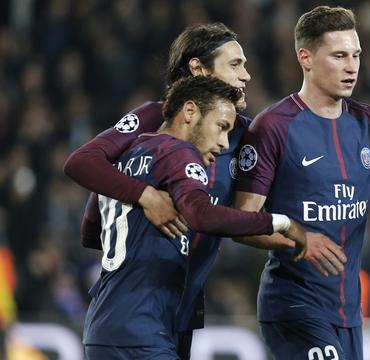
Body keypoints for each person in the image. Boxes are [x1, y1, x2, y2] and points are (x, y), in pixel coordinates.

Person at [64, 23, 346, 359]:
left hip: (171, 309)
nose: (246, 76)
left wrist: (300, 235)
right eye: (235, 64)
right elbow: (81, 162)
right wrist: (145, 196)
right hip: (143, 311)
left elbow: (240, 220)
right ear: (198, 67)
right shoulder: (156, 122)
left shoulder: (247, 136)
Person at [233, 6, 370, 360]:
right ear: (305, 58)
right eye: (339, 55)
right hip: (294, 305)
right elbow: (241, 221)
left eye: (356, 55)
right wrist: (300, 238)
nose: (351, 66)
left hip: (348, 311)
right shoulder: (274, 128)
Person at [82, 76, 315, 359]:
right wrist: (282, 223)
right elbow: (201, 214)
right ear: (190, 112)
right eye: (220, 127)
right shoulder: (179, 152)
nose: (223, 143)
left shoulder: (122, 158)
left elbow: (91, 231)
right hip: (143, 330)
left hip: (100, 329)